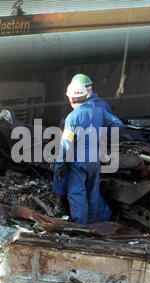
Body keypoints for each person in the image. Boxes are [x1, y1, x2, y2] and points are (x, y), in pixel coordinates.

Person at [54, 81, 122, 225]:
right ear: (86, 96)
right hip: (94, 159)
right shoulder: (98, 111)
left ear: (71, 99)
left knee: (77, 194)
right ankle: (92, 225)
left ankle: (81, 227)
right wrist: (101, 137)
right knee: (92, 193)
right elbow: (117, 124)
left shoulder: (72, 118)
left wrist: (59, 165)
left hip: (78, 161)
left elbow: (66, 146)